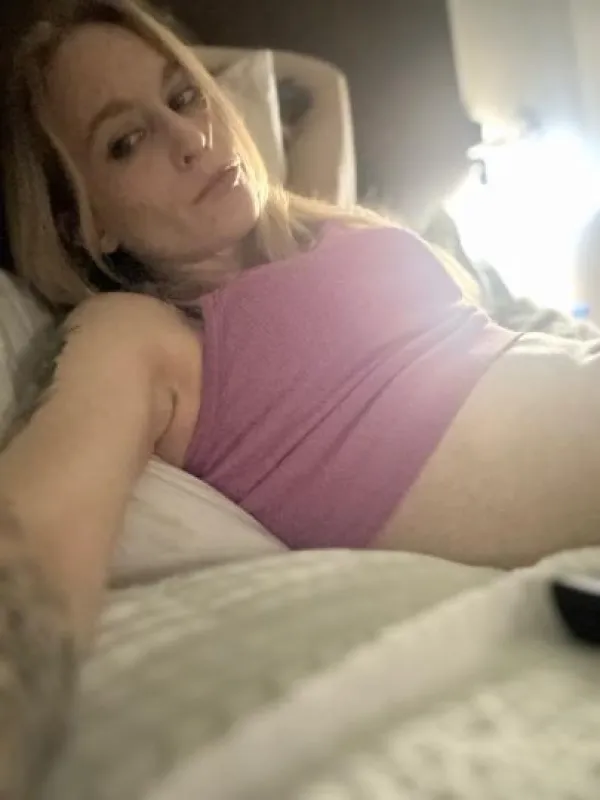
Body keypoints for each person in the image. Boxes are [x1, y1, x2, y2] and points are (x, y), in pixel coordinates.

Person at [2, 0, 600, 794]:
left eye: (185, 96)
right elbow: (35, 544)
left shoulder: (309, 223)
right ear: (87, 225)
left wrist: (199, 74)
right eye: (126, 141)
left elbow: (320, 86)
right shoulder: (143, 334)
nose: (191, 139)